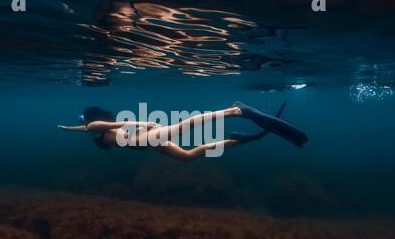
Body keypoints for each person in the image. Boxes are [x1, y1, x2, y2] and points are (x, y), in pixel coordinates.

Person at [57, 101, 308, 161]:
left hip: (144, 136)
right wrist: (67, 128)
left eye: (83, 121)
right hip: (144, 141)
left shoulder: (94, 127)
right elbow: (83, 128)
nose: (83, 125)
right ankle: (236, 140)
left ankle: (234, 111)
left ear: (89, 120)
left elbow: (116, 125)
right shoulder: (92, 129)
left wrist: (146, 125)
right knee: (187, 157)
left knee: (185, 125)